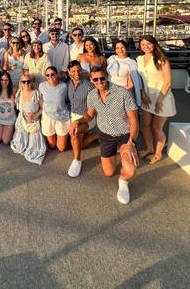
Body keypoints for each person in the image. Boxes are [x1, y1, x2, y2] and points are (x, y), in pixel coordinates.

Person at [69, 67, 139, 205]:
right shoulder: (92, 96)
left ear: (106, 76)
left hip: (124, 135)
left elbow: (134, 120)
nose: (99, 81)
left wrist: (132, 142)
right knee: (109, 172)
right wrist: (77, 121)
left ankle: (123, 181)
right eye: (96, 79)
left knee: (130, 170)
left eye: (102, 78)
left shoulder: (123, 93)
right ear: (91, 80)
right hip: (105, 136)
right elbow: (89, 115)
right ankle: (115, 158)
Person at [136, 35, 176, 164]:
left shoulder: (162, 60)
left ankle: (157, 154)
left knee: (156, 128)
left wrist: (159, 100)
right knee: (146, 125)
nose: (146, 47)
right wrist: (142, 94)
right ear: (140, 46)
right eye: (143, 44)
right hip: (146, 97)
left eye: (148, 44)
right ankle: (149, 148)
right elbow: (139, 80)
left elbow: (168, 82)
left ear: (154, 44)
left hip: (162, 96)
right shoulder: (139, 59)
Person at [66, 61, 98, 177]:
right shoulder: (68, 85)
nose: (77, 73)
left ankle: (77, 160)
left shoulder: (89, 86)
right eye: (73, 71)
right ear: (69, 72)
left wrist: (77, 122)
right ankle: (96, 135)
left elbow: (92, 110)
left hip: (86, 118)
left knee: (75, 134)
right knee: (77, 143)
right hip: (73, 116)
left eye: (79, 70)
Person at [11, 73, 46, 165]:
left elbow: (43, 108)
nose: (26, 83)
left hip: (34, 121)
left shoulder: (36, 94)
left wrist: (35, 115)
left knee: (34, 148)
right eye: (24, 82)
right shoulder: (19, 93)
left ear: (32, 82)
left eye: (28, 81)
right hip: (22, 120)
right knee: (19, 146)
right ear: (21, 83)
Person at [39, 66, 70, 152]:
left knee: (61, 148)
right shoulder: (42, 86)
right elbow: (40, 99)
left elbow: (68, 100)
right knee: (52, 146)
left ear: (57, 75)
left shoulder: (64, 86)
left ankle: (61, 136)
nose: (50, 77)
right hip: (48, 117)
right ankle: (55, 135)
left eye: (52, 74)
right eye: (47, 75)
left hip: (62, 116)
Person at [107, 39, 142, 106]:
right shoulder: (111, 59)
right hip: (109, 91)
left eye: (122, 47)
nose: (120, 50)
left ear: (126, 48)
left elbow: (135, 80)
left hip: (123, 92)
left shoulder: (131, 62)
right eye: (117, 48)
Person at [0, 71, 16, 144]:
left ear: (9, 81)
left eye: (6, 80)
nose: (4, 82)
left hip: (10, 119)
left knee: (5, 141)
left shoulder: (14, 90)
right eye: (2, 80)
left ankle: (8, 130)